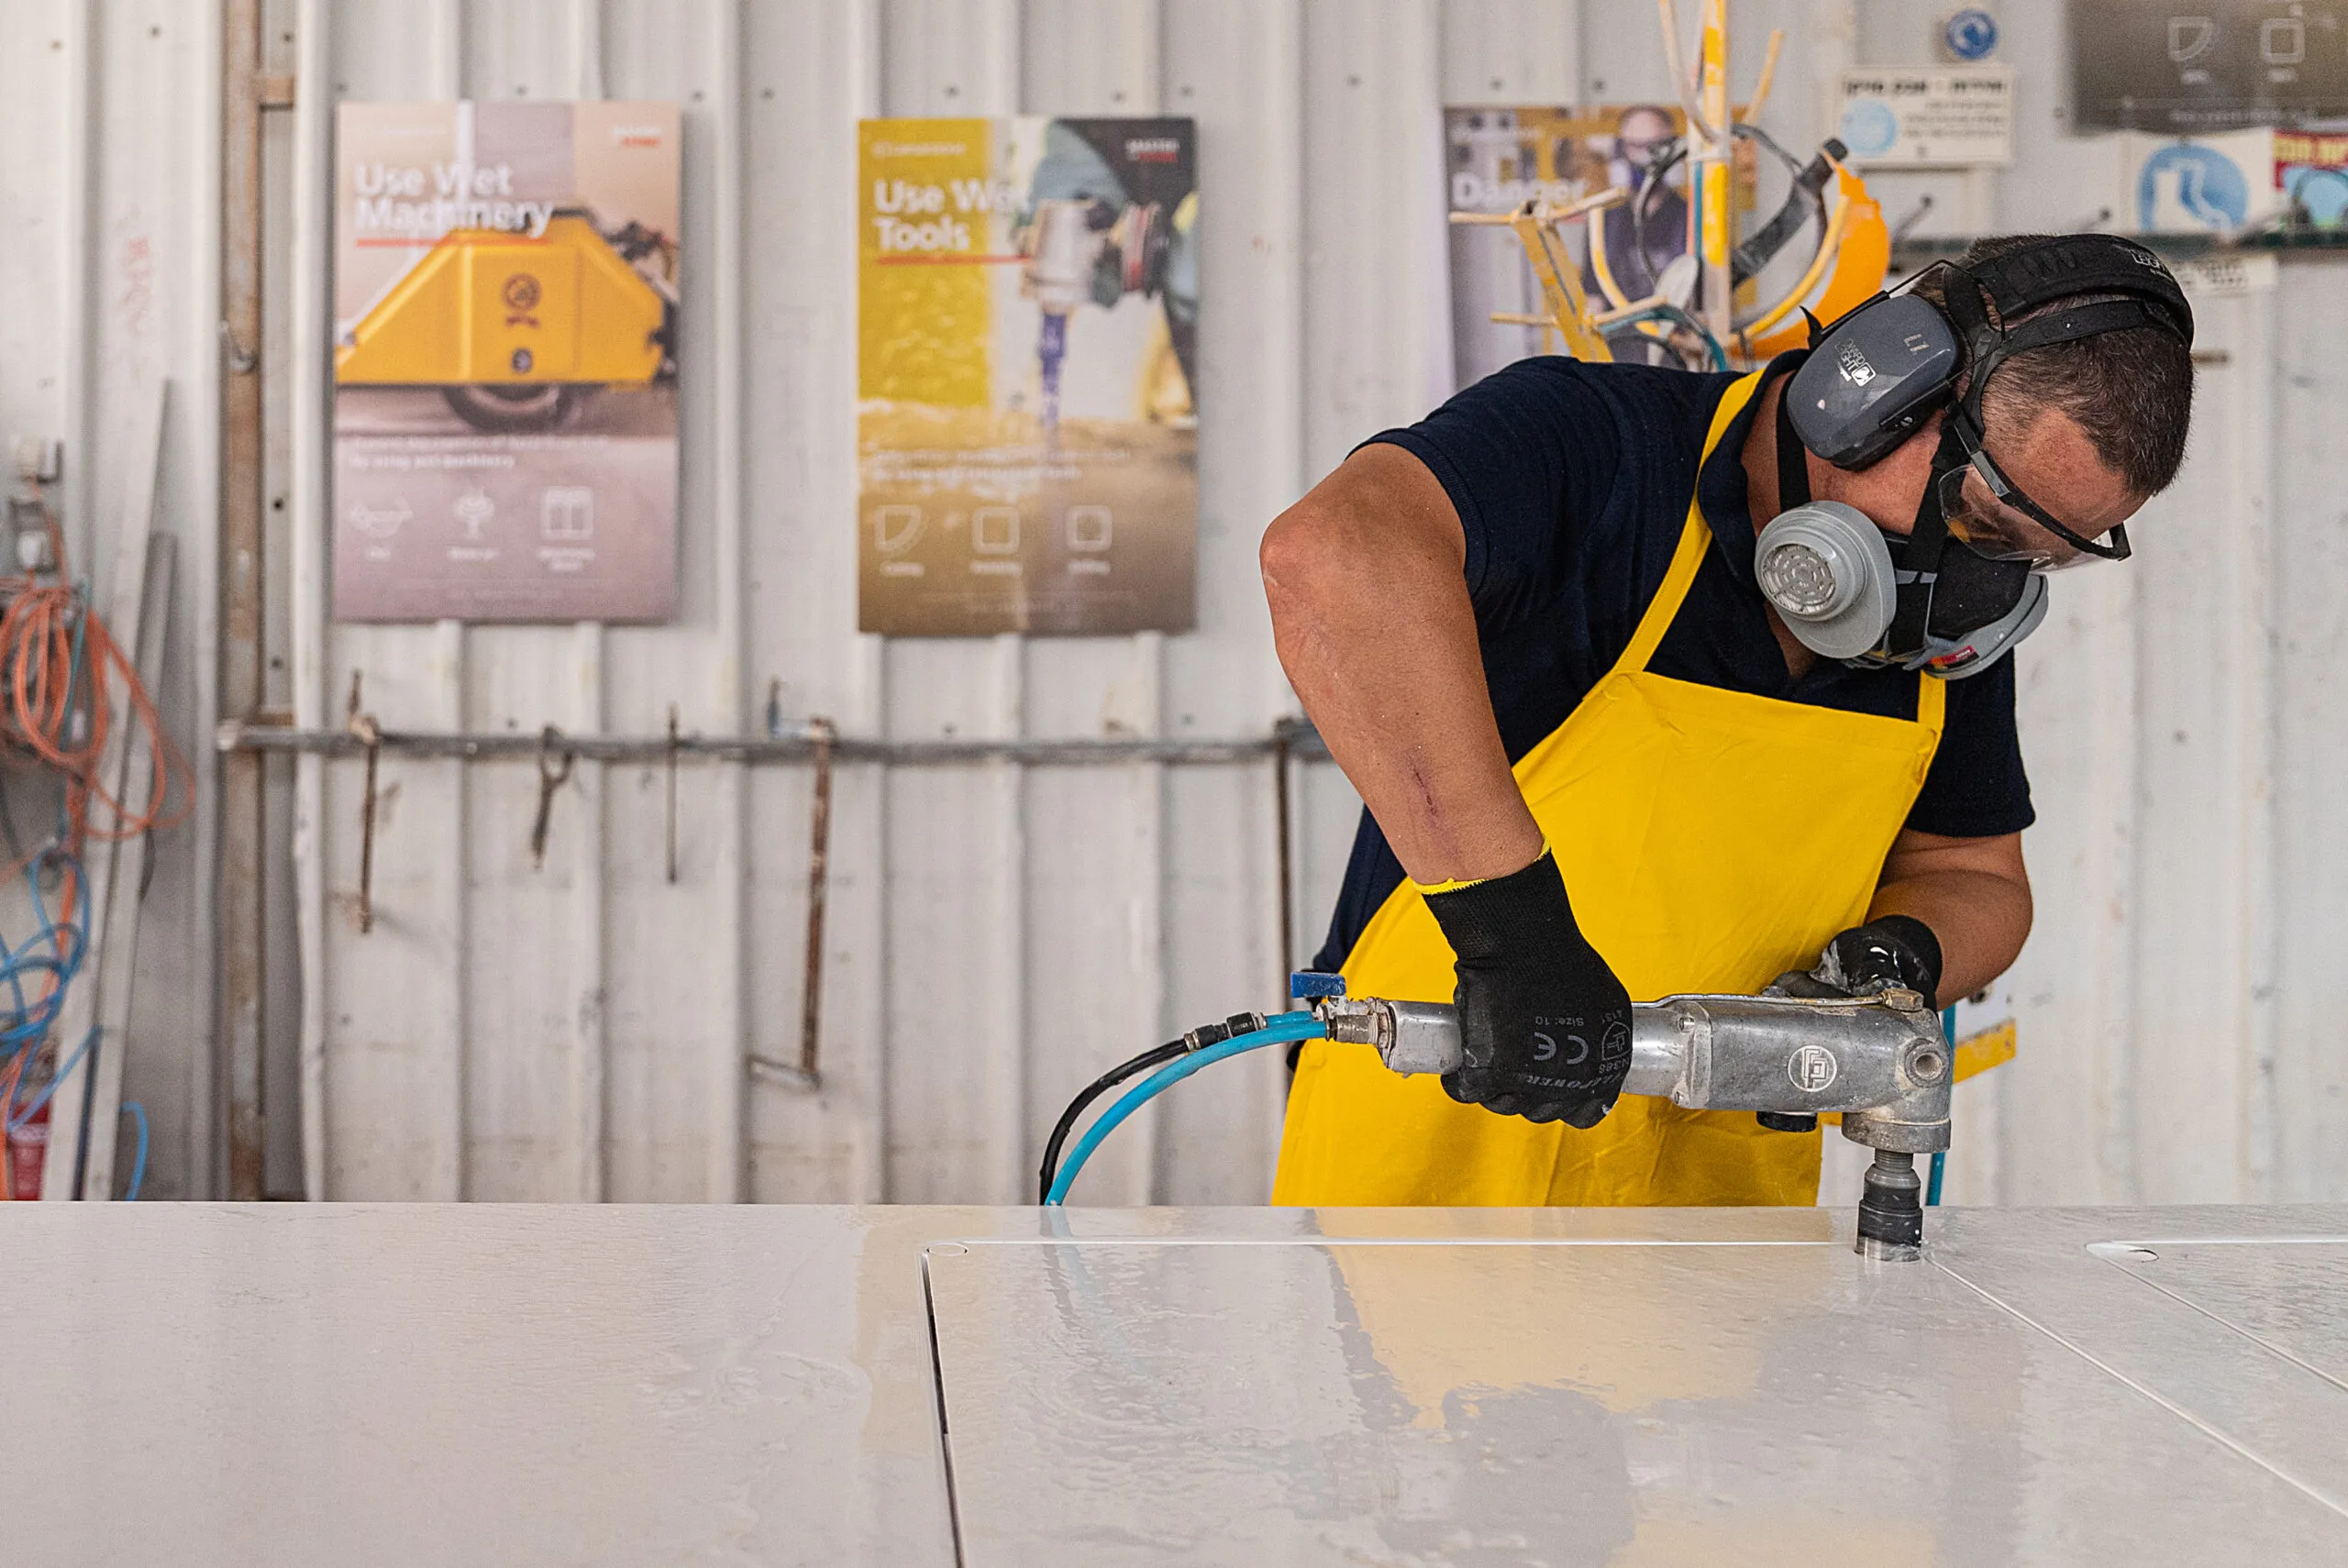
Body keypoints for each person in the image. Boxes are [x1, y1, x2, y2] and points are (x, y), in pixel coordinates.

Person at [1260, 234, 2196, 1207]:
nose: (1979, 589)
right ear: (1875, 395)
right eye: (1977, 527)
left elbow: (1976, 878)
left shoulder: (1933, 635)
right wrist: (1511, 936)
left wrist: (1901, 955)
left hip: (1722, 1243)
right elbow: (1330, 554)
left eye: (2031, 561)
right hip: (1424, 1175)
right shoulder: (1600, 448)